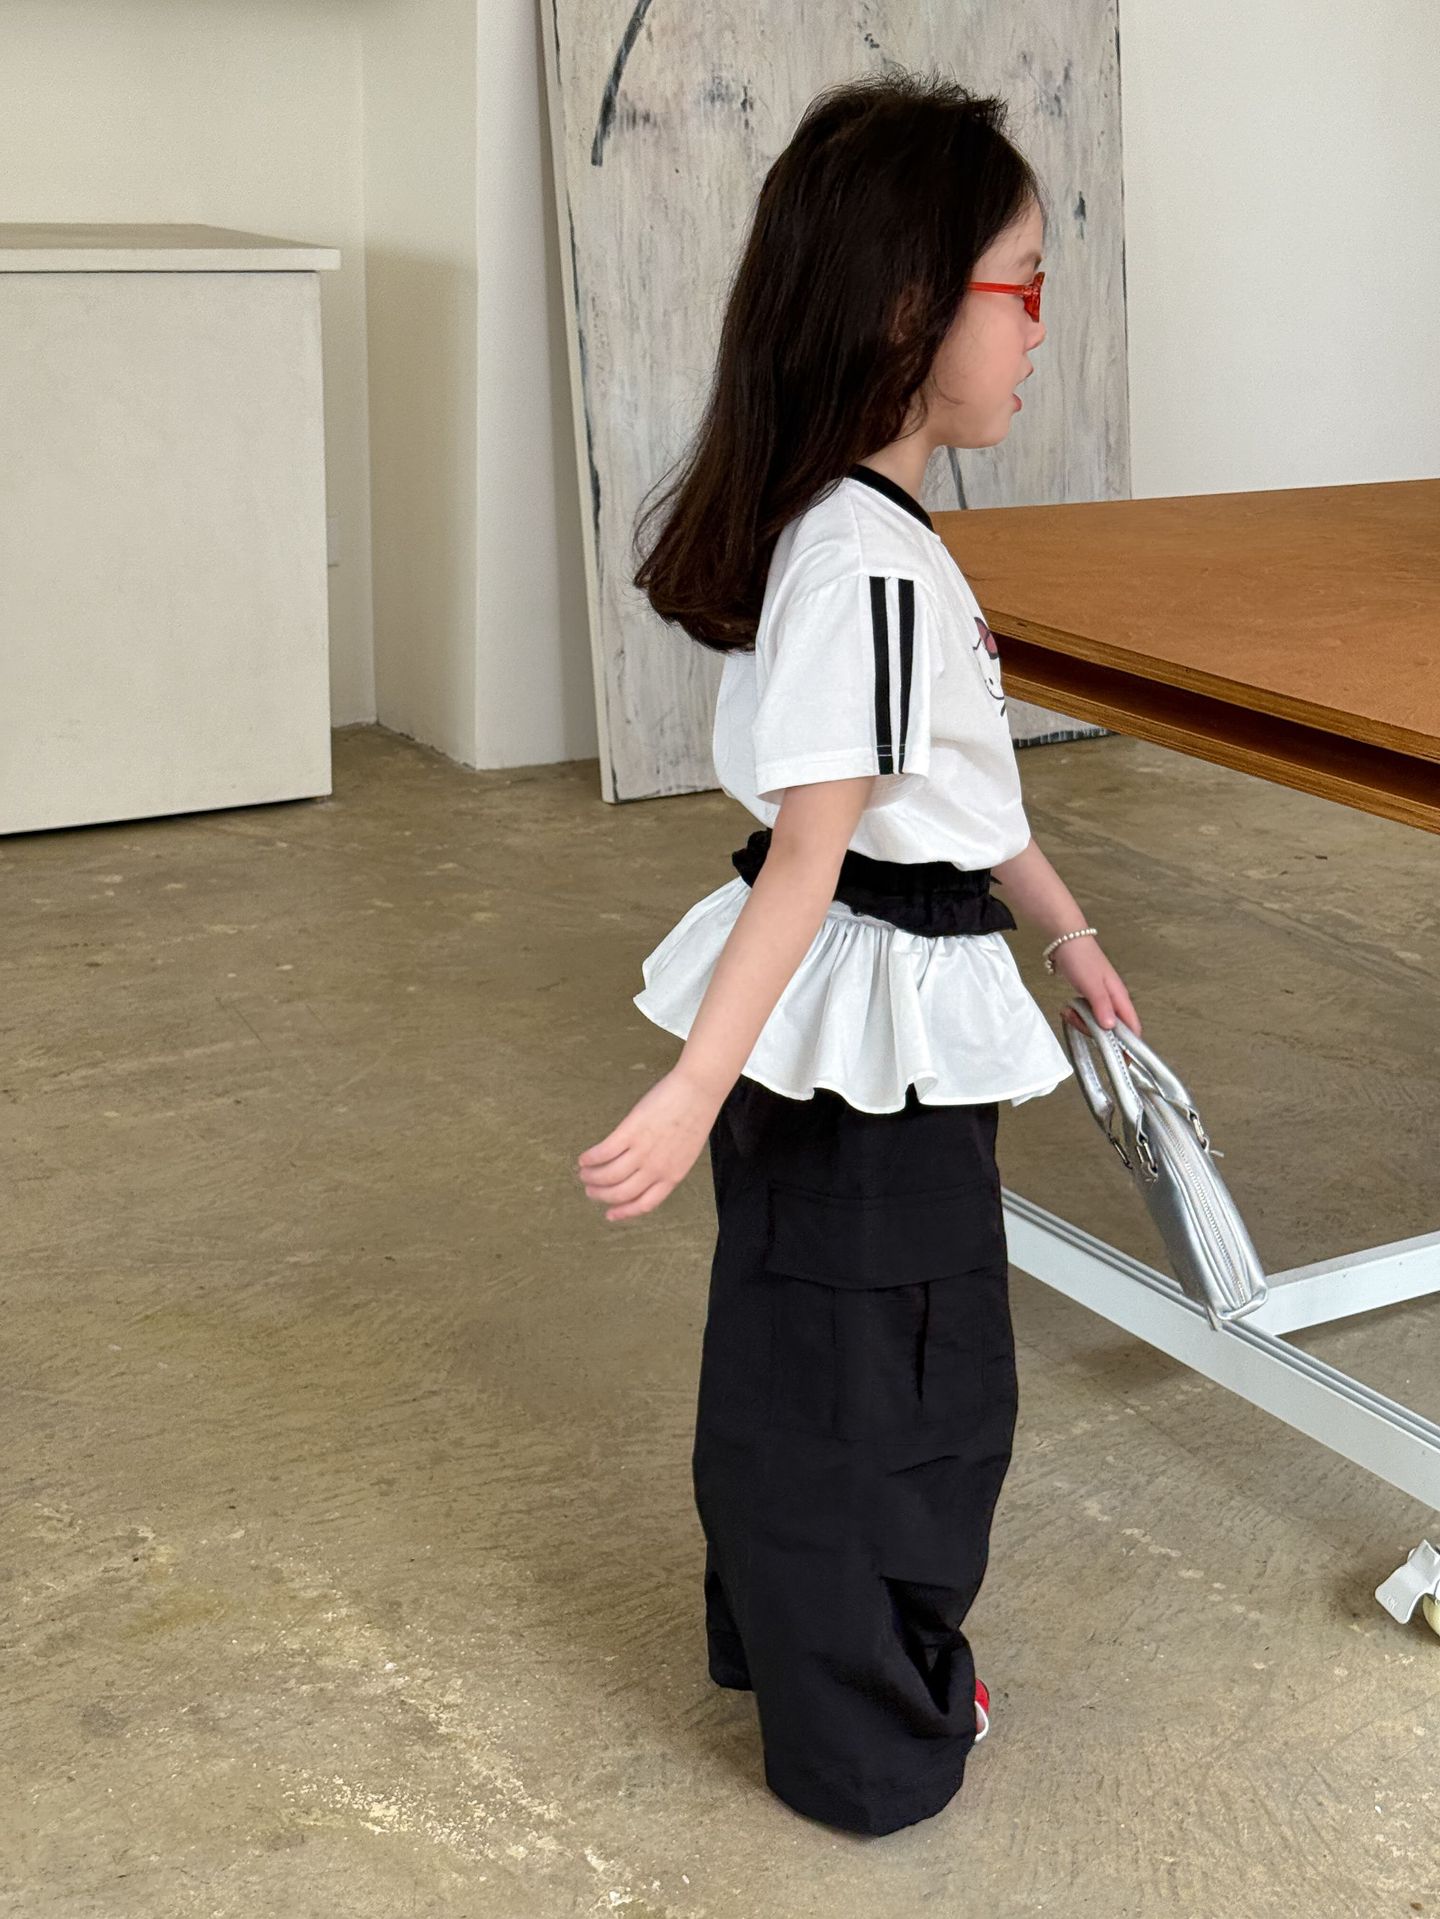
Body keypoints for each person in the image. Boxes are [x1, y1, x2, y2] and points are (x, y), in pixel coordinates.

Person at [575, 69, 1142, 1836]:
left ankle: (803, 1655)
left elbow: (946, 793)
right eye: (1023, 284)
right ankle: (873, 1728)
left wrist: (1063, 924)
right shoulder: (869, 569)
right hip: (861, 1019)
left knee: (813, 1351)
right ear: (912, 306)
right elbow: (814, 858)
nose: (1040, 327)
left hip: (868, 1006)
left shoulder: (867, 536)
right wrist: (693, 1088)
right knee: (899, 1388)